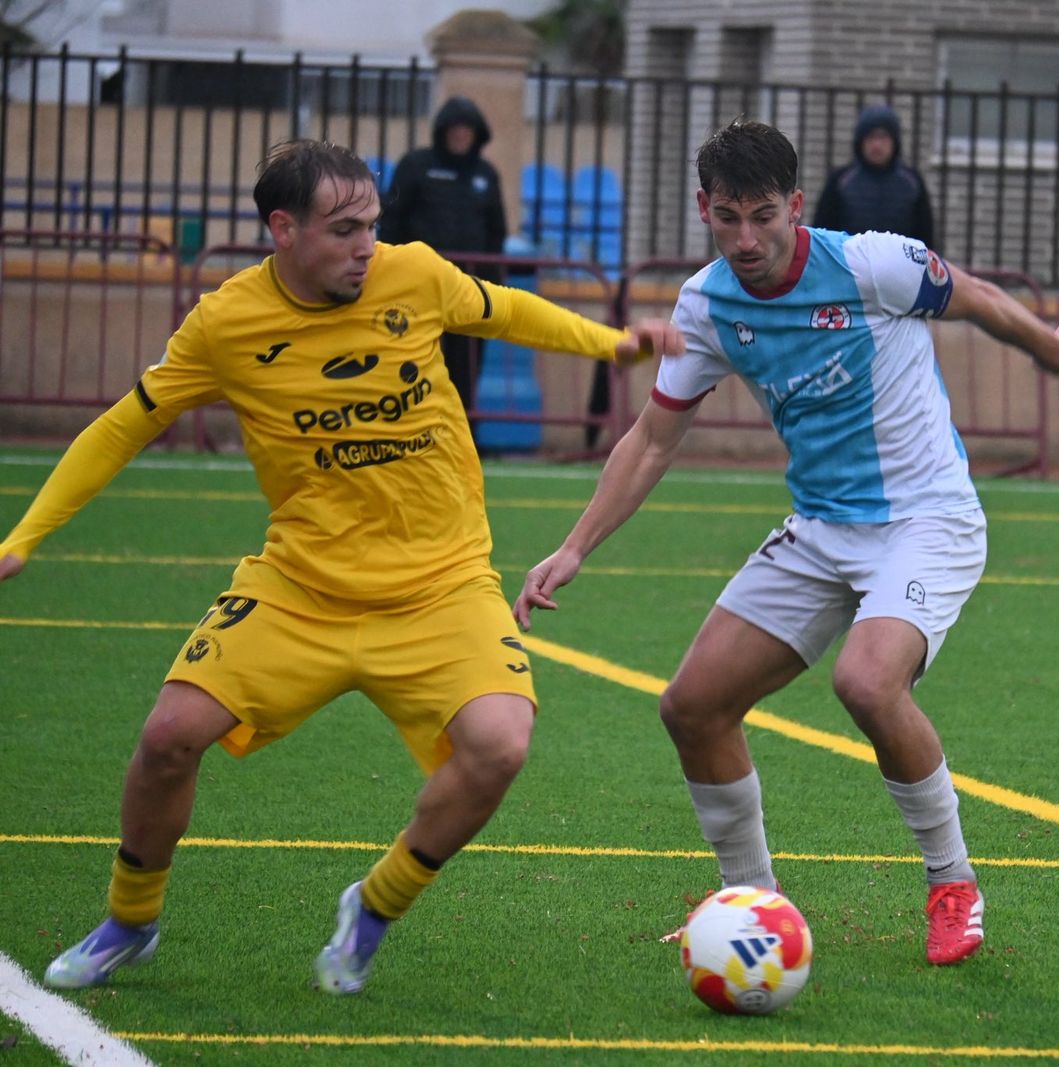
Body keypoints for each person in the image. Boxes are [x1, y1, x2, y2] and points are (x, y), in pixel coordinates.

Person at [0, 139, 680, 995]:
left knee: (501, 744)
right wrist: (24, 535)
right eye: (344, 229)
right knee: (169, 737)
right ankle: (129, 920)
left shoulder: (414, 274)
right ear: (283, 229)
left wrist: (612, 344)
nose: (367, 246)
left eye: (372, 225)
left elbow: (505, 310)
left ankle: (376, 903)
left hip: (442, 584)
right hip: (300, 589)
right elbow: (122, 425)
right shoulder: (225, 323)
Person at [513, 119, 1059, 966]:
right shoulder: (706, 304)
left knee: (867, 681)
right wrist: (575, 546)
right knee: (692, 706)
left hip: (926, 519)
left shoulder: (871, 264)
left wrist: (1052, 350)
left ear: (797, 206)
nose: (746, 239)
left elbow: (978, 298)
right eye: (727, 217)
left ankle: (953, 884)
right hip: (820, 528)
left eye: (763, 216)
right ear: (703, 208)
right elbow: (653, 438)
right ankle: (753, 904)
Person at [381, 96, 509, 447]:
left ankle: (460, 437)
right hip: (416, 289)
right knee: (411, 362)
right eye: (454, 129)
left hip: (469, 290)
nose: (460, 136)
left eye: (467, 130)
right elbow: (391, 222)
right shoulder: (415, 166)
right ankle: (406, 433)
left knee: (465, 367)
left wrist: (491, 284)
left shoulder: (485, 175)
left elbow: (496, 232)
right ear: (442, 131)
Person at [811, 104, 937, 248]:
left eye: (883, 137)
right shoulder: (841, 181)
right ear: (860, 141)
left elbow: (925, 239)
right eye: (871, 138)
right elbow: (823, 235)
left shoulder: (912, 182)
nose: (877, 145)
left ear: (894, 141)